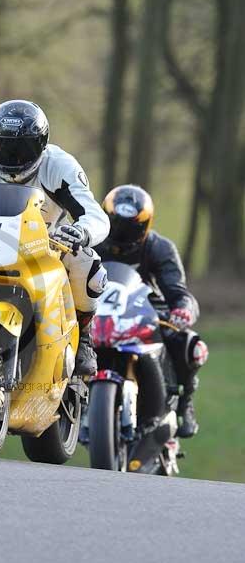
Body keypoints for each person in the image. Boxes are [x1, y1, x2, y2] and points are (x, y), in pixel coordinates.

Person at [0, 99, 110, 375]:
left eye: (21, 149)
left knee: (88, 263)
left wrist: (81, 232)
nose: (12, 158)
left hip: (47, 244)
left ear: (42, 145)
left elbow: (95, 215)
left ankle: (83, 335)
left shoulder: (60, 166)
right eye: (3, 147)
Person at [96, 184, 208, 437]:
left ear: (144, 227)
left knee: (188, 342)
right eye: (116, 225)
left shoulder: (159, 248)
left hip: (144, 311)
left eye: (131, 228)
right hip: (95, 310)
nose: (122, 236)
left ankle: (184, 402)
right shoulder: (91, 241)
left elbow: (178, 292)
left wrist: (183, 310)